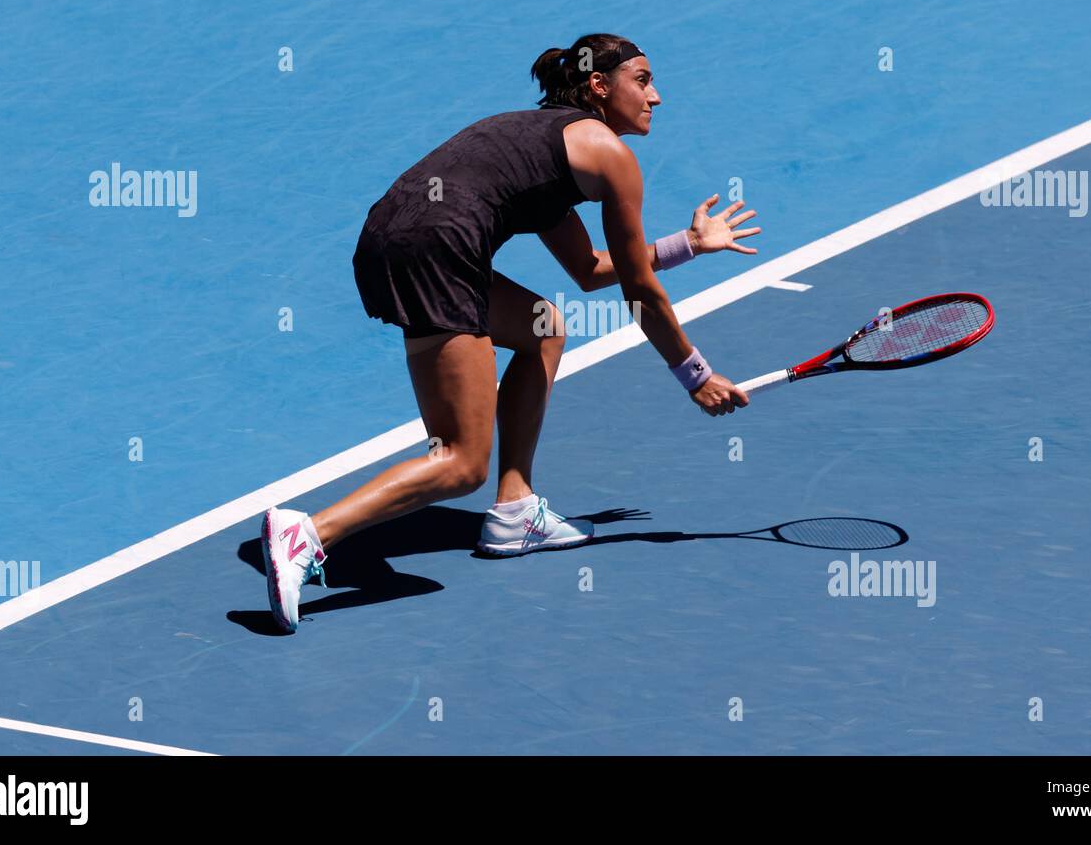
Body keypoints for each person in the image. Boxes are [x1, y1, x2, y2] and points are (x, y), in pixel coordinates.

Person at [262, 33, 761, 632]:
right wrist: (695, 375)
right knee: (460, 463)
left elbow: (591, 270)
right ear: (600, 86)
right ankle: (308, 534)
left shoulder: (539, 142)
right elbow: (639, 292)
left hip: (389, 239)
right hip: (442, 249)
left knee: (544, 328)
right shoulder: (610, 154)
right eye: (643, 80)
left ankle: (515, 509)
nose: (658, 96)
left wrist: (687, 245)